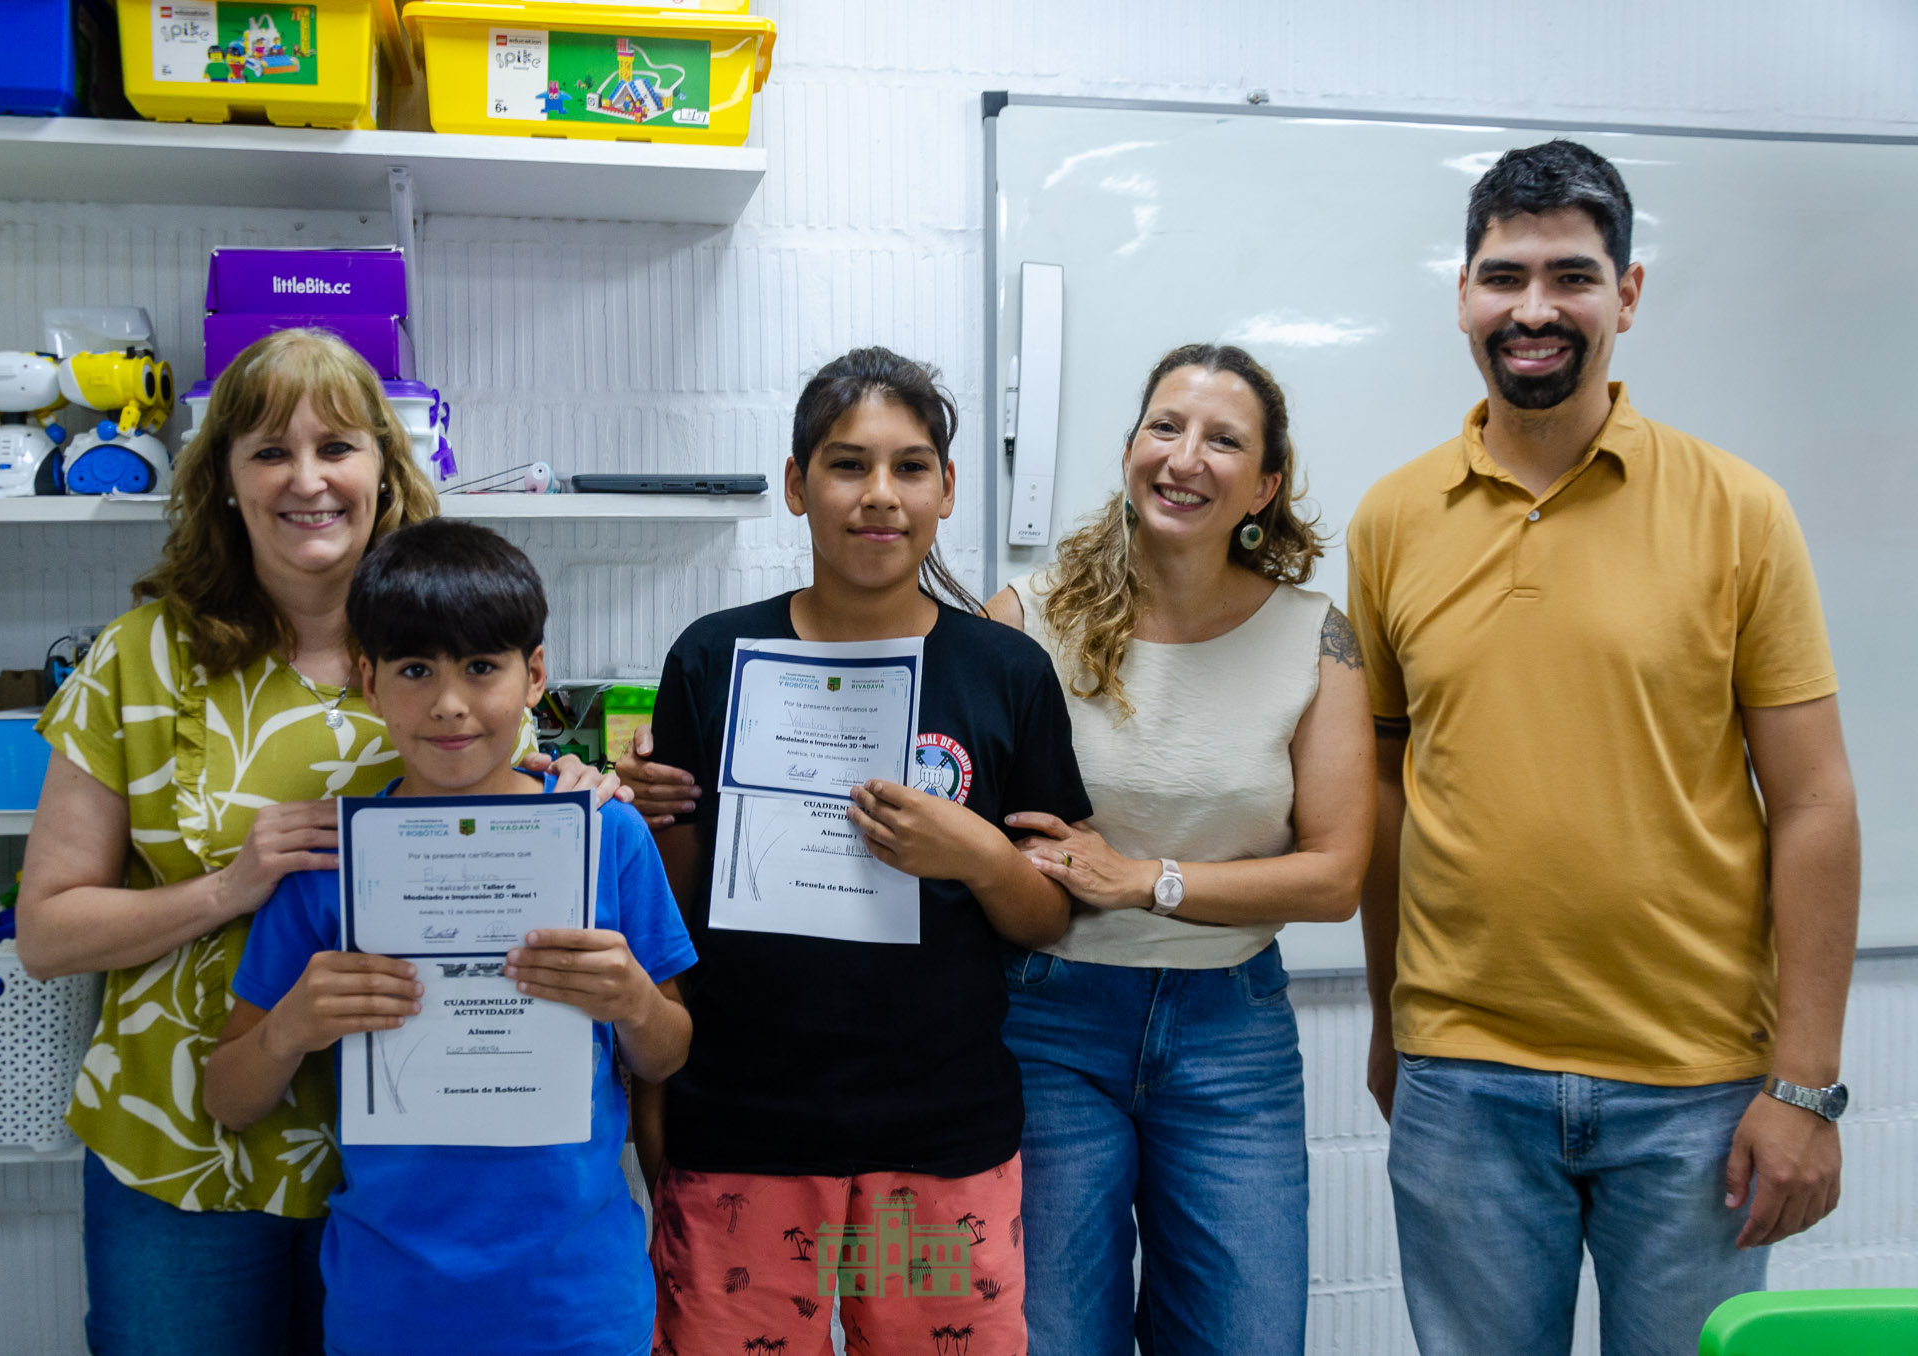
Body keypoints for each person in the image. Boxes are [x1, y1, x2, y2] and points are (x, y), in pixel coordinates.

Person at [1349, 140, 1861, 1356]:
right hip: (1461, 1078)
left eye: (1570, 276)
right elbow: (1381, 787)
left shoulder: (1737, 511)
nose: (1532, 309)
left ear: (1624, 295)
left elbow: (1813, 803)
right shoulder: (1390, 521)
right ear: (1462, 294)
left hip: (1695, 1092)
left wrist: (1802, 1086)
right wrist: (1388, 1022)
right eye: (1503, 276)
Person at [18, 329, 612, 1356]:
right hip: (185, 1152)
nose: (307, 480)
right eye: (269, 452)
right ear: (224, 480)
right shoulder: (137, 659)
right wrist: (228, 887)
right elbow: (46, 933)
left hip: (414, 1175)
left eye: (336, 447)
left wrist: (581, 792)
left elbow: (527, 833)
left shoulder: (448, 643)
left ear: (384, 469)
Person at [624, 347, 1092, 1356]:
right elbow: (671, 920)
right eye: (847, 465)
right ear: (797, 485)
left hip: (936, 1142)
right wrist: (654, 1111)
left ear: (946, 488)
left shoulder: (1005, 672)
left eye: (909, 466)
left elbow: (1047, 919)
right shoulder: (713, 658)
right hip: (743, 1133)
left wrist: (976, 854)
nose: (880, 494)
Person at [202, 519, 694, 1356]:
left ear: (535, 675)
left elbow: (668, 1054)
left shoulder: (607, 836)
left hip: (578, 1305)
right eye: (415, 670)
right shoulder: (330, 863)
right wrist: (291, 1027)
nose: (450, 704)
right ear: (368, 681)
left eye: (481, 667)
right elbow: (228, 1097)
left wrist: (635, 1003)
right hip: (391, 1308)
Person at [978, 342, 1374, 1356]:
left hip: (1229, 1028)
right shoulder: (1022, 620)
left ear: (1265, 485)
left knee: (1248, 1339)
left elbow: (1334, 877)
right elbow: (967, 830)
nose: (1185, 457)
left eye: (1223, 440)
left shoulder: (1316, 639)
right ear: (1129, 451)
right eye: (1165, 426)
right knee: (1054, 1340)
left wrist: (1141, 879)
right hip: (1047, 1022)